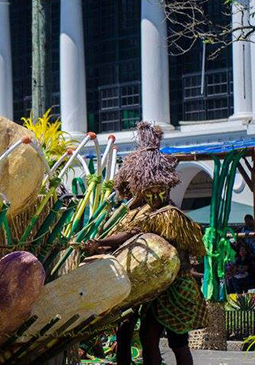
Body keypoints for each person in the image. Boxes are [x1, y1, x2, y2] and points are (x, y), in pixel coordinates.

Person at [82, 122, 207, 365]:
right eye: (148, 190)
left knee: (171, 341)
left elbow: (134, 234)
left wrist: (100, 242)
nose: (153, 195)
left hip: (174, 289)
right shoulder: (138, 212)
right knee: (135, 333)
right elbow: (131, 235)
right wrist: (100, 245)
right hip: (151, 287)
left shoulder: (169, 215)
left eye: (158, 190)